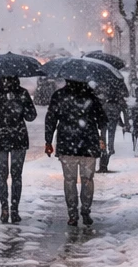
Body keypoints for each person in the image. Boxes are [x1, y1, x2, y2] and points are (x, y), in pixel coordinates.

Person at [45, 79, 107, 226]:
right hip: (89, 144)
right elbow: (103, 120)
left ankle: (72, 214)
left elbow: (51, 119)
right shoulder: (91, 96)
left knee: (69, 180)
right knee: (87, 180)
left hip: (67, 144)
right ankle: (85, 211)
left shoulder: (59, 96)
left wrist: (48, 141)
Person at [0, 75, 37, 223]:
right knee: (16, 175)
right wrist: (20, 111)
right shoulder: (22, 93)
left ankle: (4, 208)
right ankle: (14, 209)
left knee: (2, 174)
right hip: (18, 136)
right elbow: (31, 116)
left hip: (0, 136)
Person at [95, 78, 128, 173]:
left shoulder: (102, 83)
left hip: (105, 112)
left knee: (103, 134)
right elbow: (124, 99)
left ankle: (103, 153)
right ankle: (108, 152)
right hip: (114, 112)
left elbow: (99, 98)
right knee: (110, 133)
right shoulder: (118, 84)